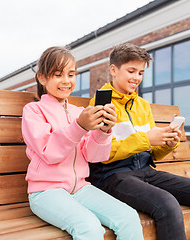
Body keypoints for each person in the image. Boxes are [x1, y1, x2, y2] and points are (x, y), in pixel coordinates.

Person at [89, 42, 190, 240]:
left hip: (146, 172)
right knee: (167, 204)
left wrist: (167, 143)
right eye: (131, 71)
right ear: (114, 70)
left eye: (140, 72)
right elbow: (102, 154)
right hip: (113, 176)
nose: (137, 78)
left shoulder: (142, 105)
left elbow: (151, 152)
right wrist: (146, 139)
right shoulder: (101, 104)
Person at [22, 46, 144, 240]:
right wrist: (79, 127)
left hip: (80, 188)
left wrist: (104, 131)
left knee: (129, 217)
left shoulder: (80, 112)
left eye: (71, 74)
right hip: (45, 192)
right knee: (90, 227)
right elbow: (49, 152)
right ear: (42, 78)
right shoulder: (34, 111)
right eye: (58, 74)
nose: (66, 81)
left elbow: (95, 156)